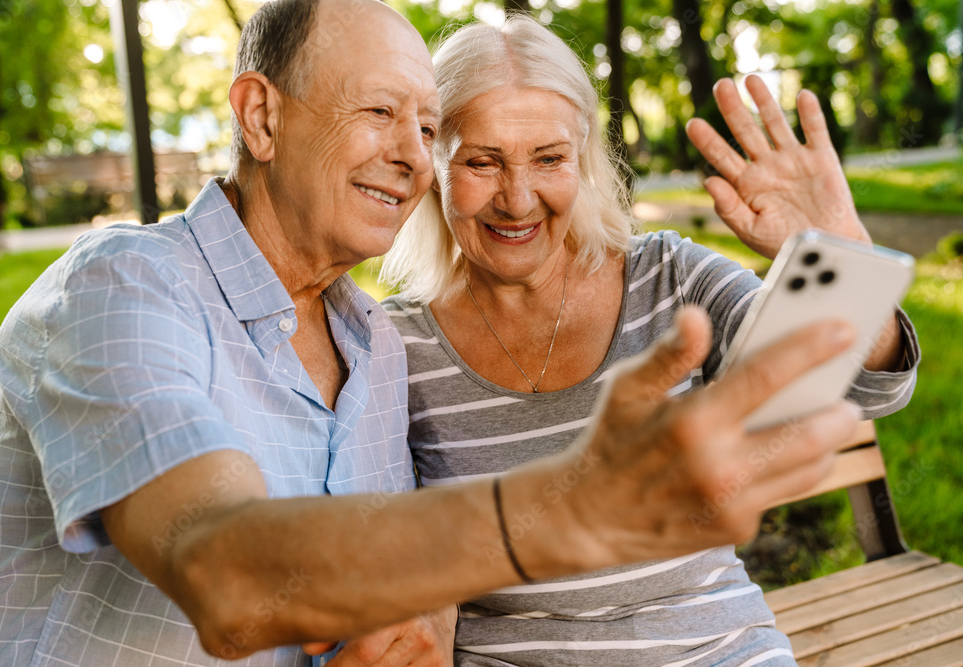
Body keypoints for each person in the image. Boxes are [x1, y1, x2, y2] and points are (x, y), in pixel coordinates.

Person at [0, 1, 896, 665]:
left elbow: (828, 386)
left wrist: (838, 262)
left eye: (422, 122)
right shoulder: (133, 288)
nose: (411, 153)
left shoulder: (367, 349)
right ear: (261, 116)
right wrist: (566, 506)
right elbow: (231, 571)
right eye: (385, 114)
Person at [380, 16, 919, 667]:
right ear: (433, 161)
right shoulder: (397, 343)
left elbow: (863, 389)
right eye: (482, 161)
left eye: (549, 159)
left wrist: (845, 266)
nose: (518, 199)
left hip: (718, 650)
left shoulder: (669, 275)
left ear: (583, 158)